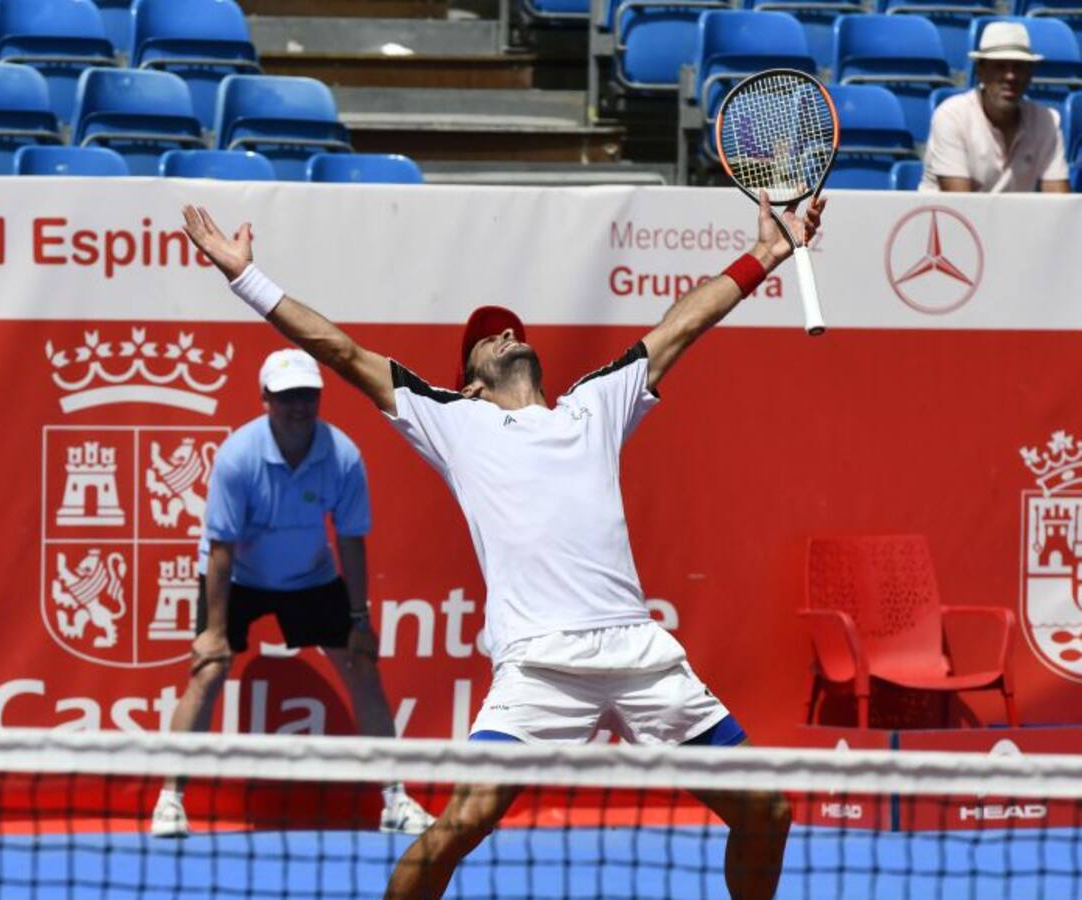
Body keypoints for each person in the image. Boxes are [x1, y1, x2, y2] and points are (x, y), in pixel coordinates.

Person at [179, 189, 825, 899]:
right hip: (540, 668)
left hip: (639, 657)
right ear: (471, 383)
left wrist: (767, 252)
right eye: (489, 338)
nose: (507, 335)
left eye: (513, 330)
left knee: (767, 811)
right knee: (461, 825)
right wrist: (246, 277)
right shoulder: (452, 420)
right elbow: (338, 350)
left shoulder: (595, 405)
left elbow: (680, 327)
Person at [150, 347, 434, 838]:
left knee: (363, 667)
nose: (299, 406)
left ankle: (394, 800)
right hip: (237, 575)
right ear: (265, 399)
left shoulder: (341, 456)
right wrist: (215, 632)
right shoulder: (239, 457)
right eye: (287, 397)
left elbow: (350, 540)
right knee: (209, 669)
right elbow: (220, 547)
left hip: (310, 577)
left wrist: (360, 621)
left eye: (307, 394)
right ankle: (169, 801)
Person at [921, 21, 1069, 193]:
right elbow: (959, 205)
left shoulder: (1047, 121)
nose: (1010, 76)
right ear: (980, 72)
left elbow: (1059, 204)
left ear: (1030, 74)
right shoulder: (951, 116)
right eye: (1000, 66)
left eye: (1018, 67)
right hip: (945, 219)